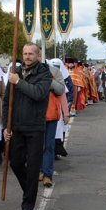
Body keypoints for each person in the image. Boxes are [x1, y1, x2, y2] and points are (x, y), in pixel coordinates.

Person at [3, 43, 52, 210]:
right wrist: (5, 127)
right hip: (16, 127)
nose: (27, 56)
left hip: (35, 128)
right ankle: (30, 190)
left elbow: (38, 93)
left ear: (38, 56)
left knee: (32, 168)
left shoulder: (45, 73)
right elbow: (7, 101)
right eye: (25, 53)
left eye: (31, 53)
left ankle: (28, 205)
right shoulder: (15, 72)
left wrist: (19, 82)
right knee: (15, 163)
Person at [40, 59, 66, 187]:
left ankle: (47, 174)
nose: (30, 57)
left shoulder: (54, 71)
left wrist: (48, 80)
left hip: (50, 114)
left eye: (32, 54)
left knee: (49, 146)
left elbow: (61, 90)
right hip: (33, 115)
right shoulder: (26, 71)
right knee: (36, 146)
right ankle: (40, 169)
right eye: (26, 54)